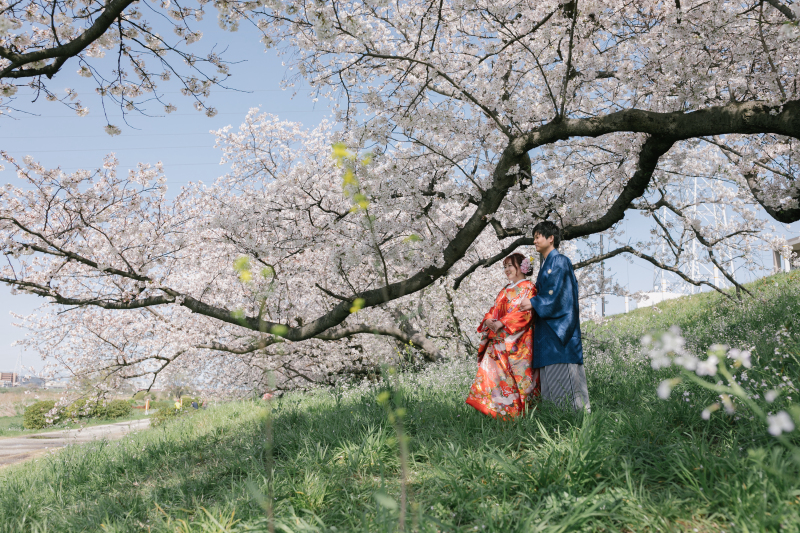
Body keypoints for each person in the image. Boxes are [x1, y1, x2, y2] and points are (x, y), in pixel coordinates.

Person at [519, 221, 590, 411]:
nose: (534, 241)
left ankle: (575, 425)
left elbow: (559, 295)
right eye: (534, 237)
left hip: (559, 334)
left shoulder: (560, 261)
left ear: (551, 238)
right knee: (551, 389)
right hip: (547, 332)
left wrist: (534, 302)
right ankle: (559, 426)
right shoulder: (546, 265)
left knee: (566, 384)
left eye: (538, 236)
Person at [465, 253, 540, 419]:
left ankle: (521, 416)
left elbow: (526, 313)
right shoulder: (504, 290)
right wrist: (489, 319)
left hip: (517, 342)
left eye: (509, 266)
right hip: (498, 343)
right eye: (504, 267)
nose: (506, 270)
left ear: (522, 267)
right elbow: (494, 310)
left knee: (519, 381)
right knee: (494, 379)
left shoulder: (529, 287)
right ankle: (500, 415)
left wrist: (502, 323)